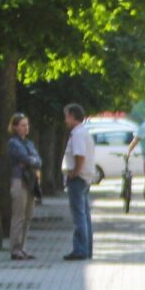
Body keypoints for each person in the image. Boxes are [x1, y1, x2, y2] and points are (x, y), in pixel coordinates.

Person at [6, 112, 42, 260]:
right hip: (19, 181)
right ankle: (15, 249)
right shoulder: (13, 143)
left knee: (28, 216)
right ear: (15, 127)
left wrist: (30, 161)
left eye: (27, 125)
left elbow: (38, 161)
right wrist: (30, 160)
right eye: (22, 125)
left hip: (30, 182)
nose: (26, 128)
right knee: (19, 215)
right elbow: (24, 158)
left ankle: (22, 246)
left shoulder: (29, 143)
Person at [62, 103, 93, 259]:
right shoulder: (83, 132)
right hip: (84, 178)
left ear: (73, 116)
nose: (65, 120)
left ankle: (80, 250)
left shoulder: (78, 134)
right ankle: (86, 248)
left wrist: (74, 172)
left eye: (66, 116)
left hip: (78, 179)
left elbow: (79, 156)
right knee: (84, 214)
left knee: (79, 215)